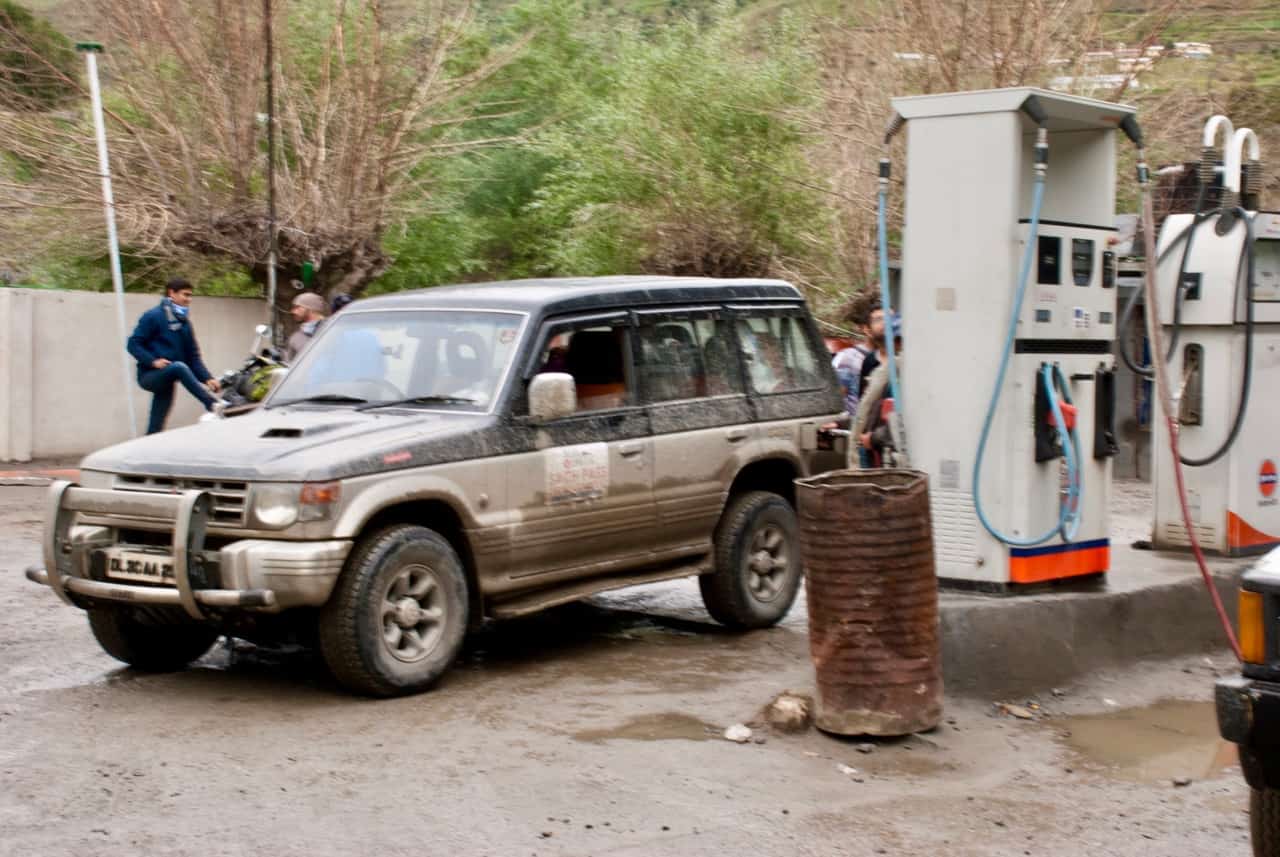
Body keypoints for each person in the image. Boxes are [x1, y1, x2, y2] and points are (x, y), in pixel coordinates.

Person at [126, 277, 221, 434]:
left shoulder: (185, 324)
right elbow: (133, 344)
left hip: (168, 379)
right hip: (149, 376)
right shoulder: (153, 316)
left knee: (156, 426)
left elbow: (193, 357)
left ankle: (147, 452)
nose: (189, 299)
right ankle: (211, 404)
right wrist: (153, 361)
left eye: (191, 296)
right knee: (178, 366)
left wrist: (208, 378)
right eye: (185, 295)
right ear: (171, 293)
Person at [854, 311, 903, 467]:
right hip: (875, 447)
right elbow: (866, 403)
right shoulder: (877, 365)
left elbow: (905, 417)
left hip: (888, 448)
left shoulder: (906, 374)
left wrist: (875, 437)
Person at [286, 292, 327, 362]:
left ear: (310, 308)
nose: (293, 311)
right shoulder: (295, 338)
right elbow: (291, 367)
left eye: (297, 307)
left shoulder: (332, 329)